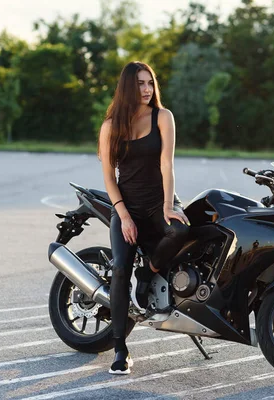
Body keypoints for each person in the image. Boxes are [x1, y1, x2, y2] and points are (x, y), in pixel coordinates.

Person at [97, 61, 190, 375]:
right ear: (127, 87)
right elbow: (109, 177)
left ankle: (149, 272)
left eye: (150, 82)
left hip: (158, 202)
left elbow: (167, 164)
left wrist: (167, 204)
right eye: (140, 83)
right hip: (127, 205)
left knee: (179, 233)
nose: (147, 89)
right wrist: (123, 216)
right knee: (120, 269)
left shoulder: (163, 117)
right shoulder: (111, 126)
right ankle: (120, 349)